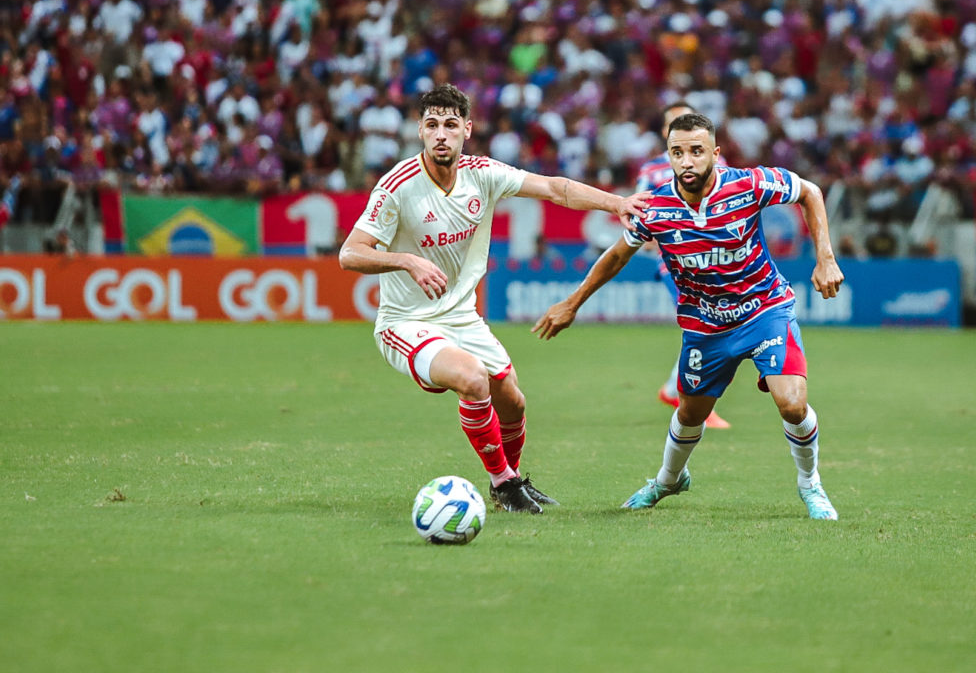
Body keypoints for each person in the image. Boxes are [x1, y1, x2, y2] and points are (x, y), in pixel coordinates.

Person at [339, 84, 647, 514]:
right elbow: (350, 253)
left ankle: (511, 481)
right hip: (405, 322)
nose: (441, 134)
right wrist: (408, 260)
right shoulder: (398, 186)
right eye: (432, 125)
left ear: (467, 128)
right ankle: (503, 482)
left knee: (513, 401)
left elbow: (556, 189)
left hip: (462, 318)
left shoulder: (483, 174)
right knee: (472, 379)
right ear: (420, 132)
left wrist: (617, 202)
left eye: (450, 124)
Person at [533, 112, 845, 519]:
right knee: (690, 414)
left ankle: (811, 485)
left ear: (715, 153)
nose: (687, 161)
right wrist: (573, 302)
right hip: (705, 326)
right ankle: (668, 480)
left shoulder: (748, 184)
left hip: (764, 310)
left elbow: (811, 192)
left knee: (792, 403)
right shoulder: (657, 207)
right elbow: (616, 257)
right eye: (677, 152)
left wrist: (825, 257)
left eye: (696, 151)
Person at [635, 102, 731, 430]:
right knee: (705, 323)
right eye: (673, 123)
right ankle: (691, 397)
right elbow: (639, 214)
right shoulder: (650, 171)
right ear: (665, 133)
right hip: (673, 263)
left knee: (712, 323)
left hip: (714, 263)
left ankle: (674, 390)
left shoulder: (719, 165)